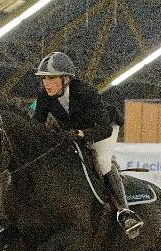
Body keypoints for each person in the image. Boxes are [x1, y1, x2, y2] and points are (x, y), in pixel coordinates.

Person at [33, 51, 143, 239]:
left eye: (51, 78)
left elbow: (104, 129)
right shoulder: (44, 96)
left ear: (66, 78)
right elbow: (36, 124)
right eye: (44, 78)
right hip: (74, 132)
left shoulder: (85, 92)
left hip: (103, 128)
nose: (46, 83)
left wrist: (79, 134)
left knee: (101, 161)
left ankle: (124, 212)